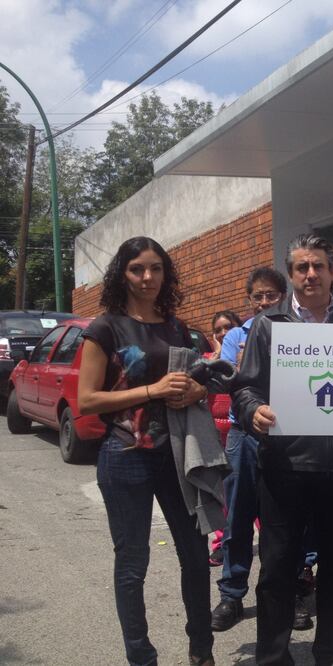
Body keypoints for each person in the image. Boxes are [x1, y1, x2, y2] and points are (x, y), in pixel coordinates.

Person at [232, 234, 333, 665]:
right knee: (276, 569)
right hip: (284, 465)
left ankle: (330, 651)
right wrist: (254, 410)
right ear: (291, 275)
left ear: (331, 273)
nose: (310, 274)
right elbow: (244, 386)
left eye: (318, 266)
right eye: (302, 267)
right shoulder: (269, 324)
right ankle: (272, 656)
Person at [78, 236, 215, 666]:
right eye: (138, 269)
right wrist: (151, 390)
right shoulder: (105, 327)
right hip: (125, 455)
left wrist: (196, 388)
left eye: (155, 268)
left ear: (165, 273)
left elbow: (195, 382)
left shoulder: (176, 326)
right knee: (133, 564)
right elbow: (86, 400)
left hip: (177, 454)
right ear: (123, 273)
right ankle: (141, 656)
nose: (147, 277)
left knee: (195, 557)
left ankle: (202, 650)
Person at [211, 267, 292, 632]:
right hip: (244, 433)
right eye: (257, 296)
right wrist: (247, 360)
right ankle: (232, 594)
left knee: (286, 520)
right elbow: (233, 380)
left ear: (282, 297)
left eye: (270, 296)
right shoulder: (236, 335)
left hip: (287, 432)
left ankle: (293, 594)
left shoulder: (294, 329)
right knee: (238, 514)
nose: (263, 302)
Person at [205, 310, 243, 567]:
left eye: (228, 327)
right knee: (224, 495)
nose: (223, 332)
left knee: (245, 494)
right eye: (218, 329)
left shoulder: (244, 352)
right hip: (216, 435)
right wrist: (218, 357)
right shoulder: (208, 359)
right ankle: (221, 543)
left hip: (239, 430)